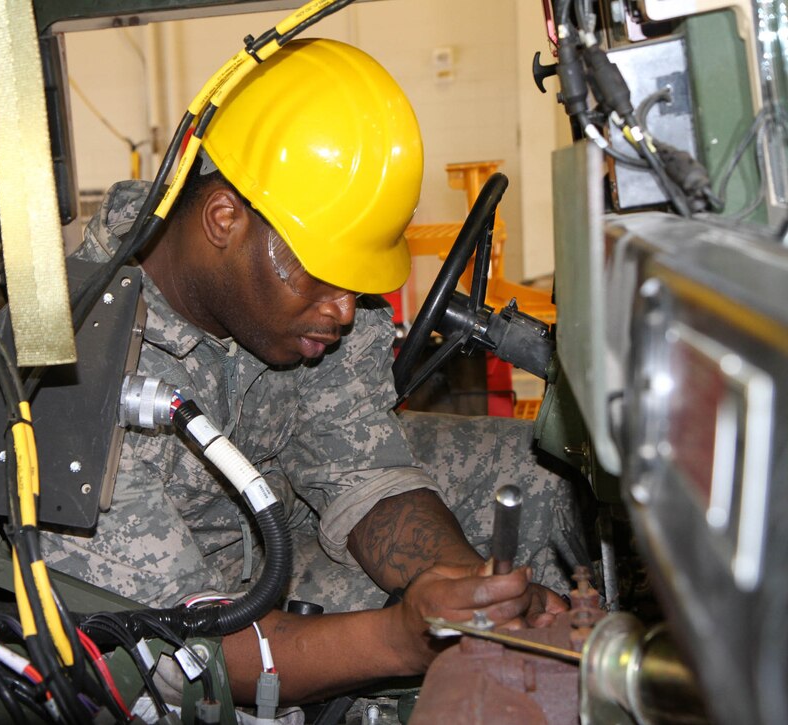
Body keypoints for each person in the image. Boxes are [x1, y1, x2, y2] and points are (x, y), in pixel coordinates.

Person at [42, 38, 588, 706]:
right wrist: (405, 635)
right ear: (223, 219)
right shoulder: (74, 366)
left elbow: (359, 464)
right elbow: (183, 650)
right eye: (327, 278)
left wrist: (467, 591)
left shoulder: (294, 311)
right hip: (181, 621)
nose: (343, 309)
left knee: (544, 470)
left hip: (279, 537)